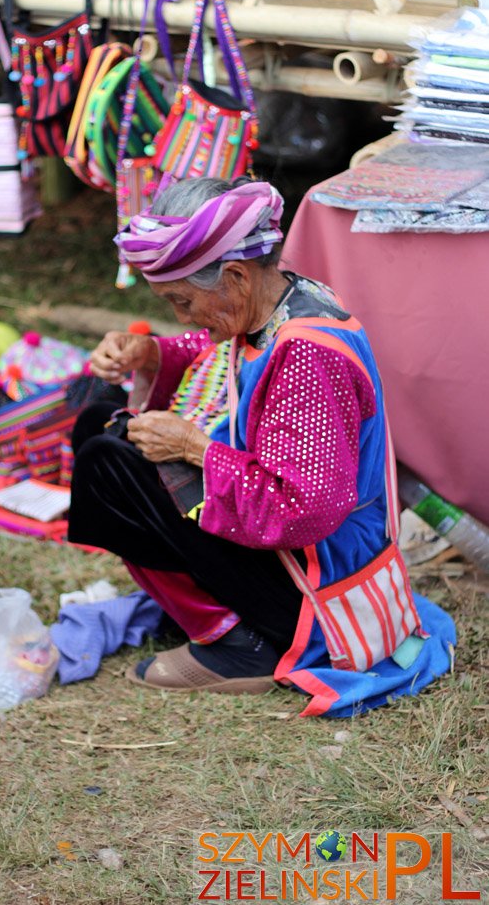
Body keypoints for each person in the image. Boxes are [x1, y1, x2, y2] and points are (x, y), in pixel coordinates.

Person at [67, 177, 455, 716]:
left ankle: (239, 640)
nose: (183, 318)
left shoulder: (307, 360)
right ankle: (224, 612)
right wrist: (152, 354)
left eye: (182, 300)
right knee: (97, 425)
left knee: (108, 463)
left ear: (234, 276)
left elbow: (305, 510)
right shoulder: (282, 300)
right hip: (291, 556)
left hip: (317, 585)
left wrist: (198, 449)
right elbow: (222, 360)